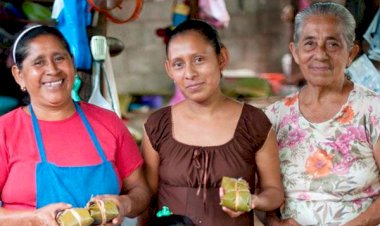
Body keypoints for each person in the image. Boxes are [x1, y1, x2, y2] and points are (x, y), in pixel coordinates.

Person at [0, 25, 151, 225]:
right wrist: (33, 218)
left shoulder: (109, 122)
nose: (52, 69)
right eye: (38, 62)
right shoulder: (5, 130)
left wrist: (125, 204)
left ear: (72, 63)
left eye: (60, 58)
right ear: (19, 75)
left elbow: (141, 191)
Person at [140, 19, 284, 226]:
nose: (190, 74)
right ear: (169, 70)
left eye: (199, 59)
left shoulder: (253, 123)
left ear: (222, 58)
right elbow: (147, 198)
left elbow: (274, 192)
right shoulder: (157, 125)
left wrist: (254, 201)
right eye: (178, 64)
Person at [265, 2, 380, 226]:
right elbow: (262, 192)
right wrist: (273, 223)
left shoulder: (373, 110)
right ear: (295, 52)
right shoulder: (274, 117)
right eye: (309, 43)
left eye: (333, 44)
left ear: (351, 53)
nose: (320, 54)